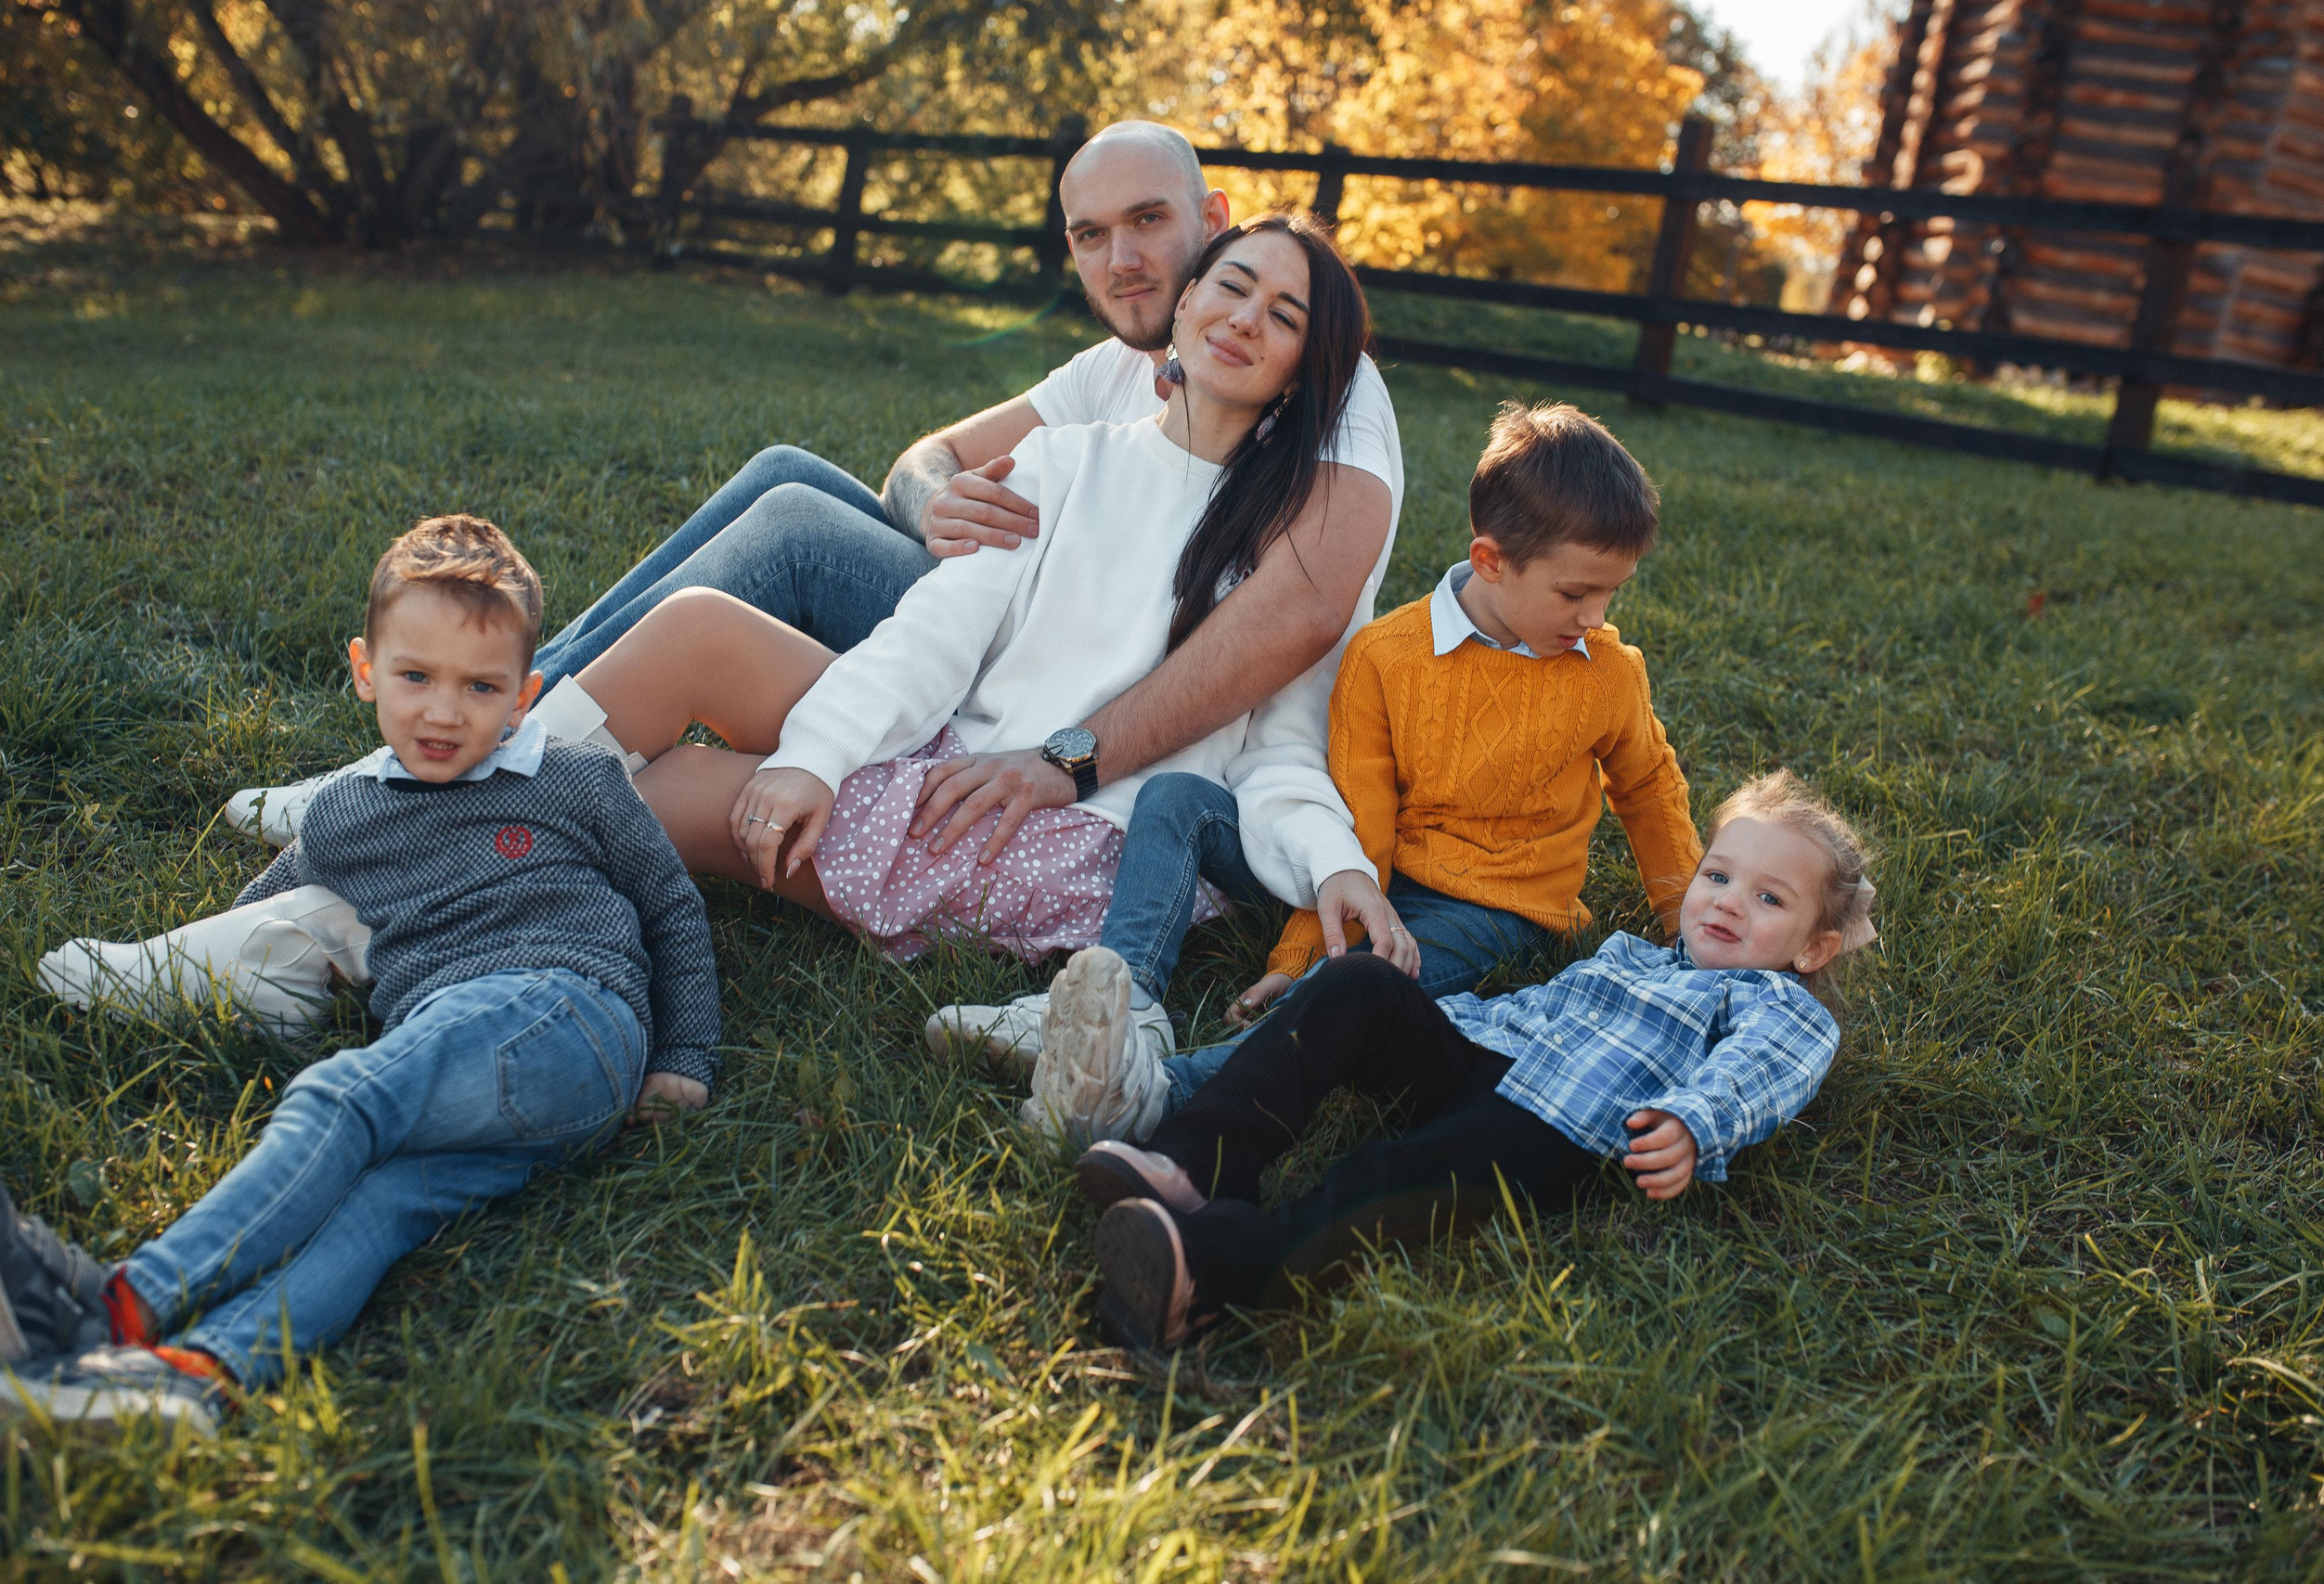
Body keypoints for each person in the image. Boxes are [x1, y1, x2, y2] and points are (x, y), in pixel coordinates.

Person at [223, 122, 1404, 962]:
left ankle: (428, 803)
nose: (1124, 261)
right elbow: (927, 463)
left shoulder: (1325, 403)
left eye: (1151, 224)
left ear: (1207, 227)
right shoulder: (1107, 391)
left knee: (782, 535)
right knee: (788, 482)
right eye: (1092, 236)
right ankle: (467, 747)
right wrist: (934, 499)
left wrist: (1072, 761)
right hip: (980, 671)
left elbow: (1296, 632)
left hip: (1074, 772)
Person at [492, 213, 1399, 989]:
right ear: (1187, 299)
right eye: (1232, 287)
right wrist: (815, 755)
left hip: (1075, 839)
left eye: (1283, 318)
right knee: (696, 628)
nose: (1245, 319)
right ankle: (433, 810)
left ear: (1300, 373)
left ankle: (428, 879)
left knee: (672, 791)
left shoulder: (1289, 548)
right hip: (959, 751)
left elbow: (1283, 751)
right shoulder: (1061, 460)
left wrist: (1334, 862)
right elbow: (932, 633)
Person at [11, 518, 718, 1432]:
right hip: (492, 1092)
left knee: (342, 1099)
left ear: (524, 695)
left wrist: (686, 1056)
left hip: (564, 1012)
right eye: (414, 676)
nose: (441, 711)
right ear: (364, 670)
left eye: (481, 687)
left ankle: (118, 1304)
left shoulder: (574, 779)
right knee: (382, 1203)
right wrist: (187, 957)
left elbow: (670, 907)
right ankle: (199, 1375)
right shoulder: (349, 812)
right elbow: (258, 903)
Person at [1025, 401, 1702, 1147]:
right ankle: (1125, 996)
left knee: (1345, 993)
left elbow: (1648, 791)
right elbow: (1362, 822)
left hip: (1495, 906)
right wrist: (1304, 947)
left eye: (1611, 592)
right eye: (1575, 593)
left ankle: (1150, 1093)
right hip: (1369, 875)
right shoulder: (1387, 656)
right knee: (1179, 800)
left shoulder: (1608, 672)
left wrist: (1693, 939)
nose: (1595, 616)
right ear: (1490, 560)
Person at [1058, 770, 1879, 1349]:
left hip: (1558, 1130)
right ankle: (1196, 1161)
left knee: (1390, 1173)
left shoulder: (1776, 1003)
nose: (1730, 901)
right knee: (1358, 986)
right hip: (1488, 1060)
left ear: (1816, 947)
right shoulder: (1634, 954)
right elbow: (1526, 1010)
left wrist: (1696, 1124)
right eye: (1718, 875)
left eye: (1770, 898)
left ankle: (1210, 1273)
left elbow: (1771, 1068)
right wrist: (1416, 1022)